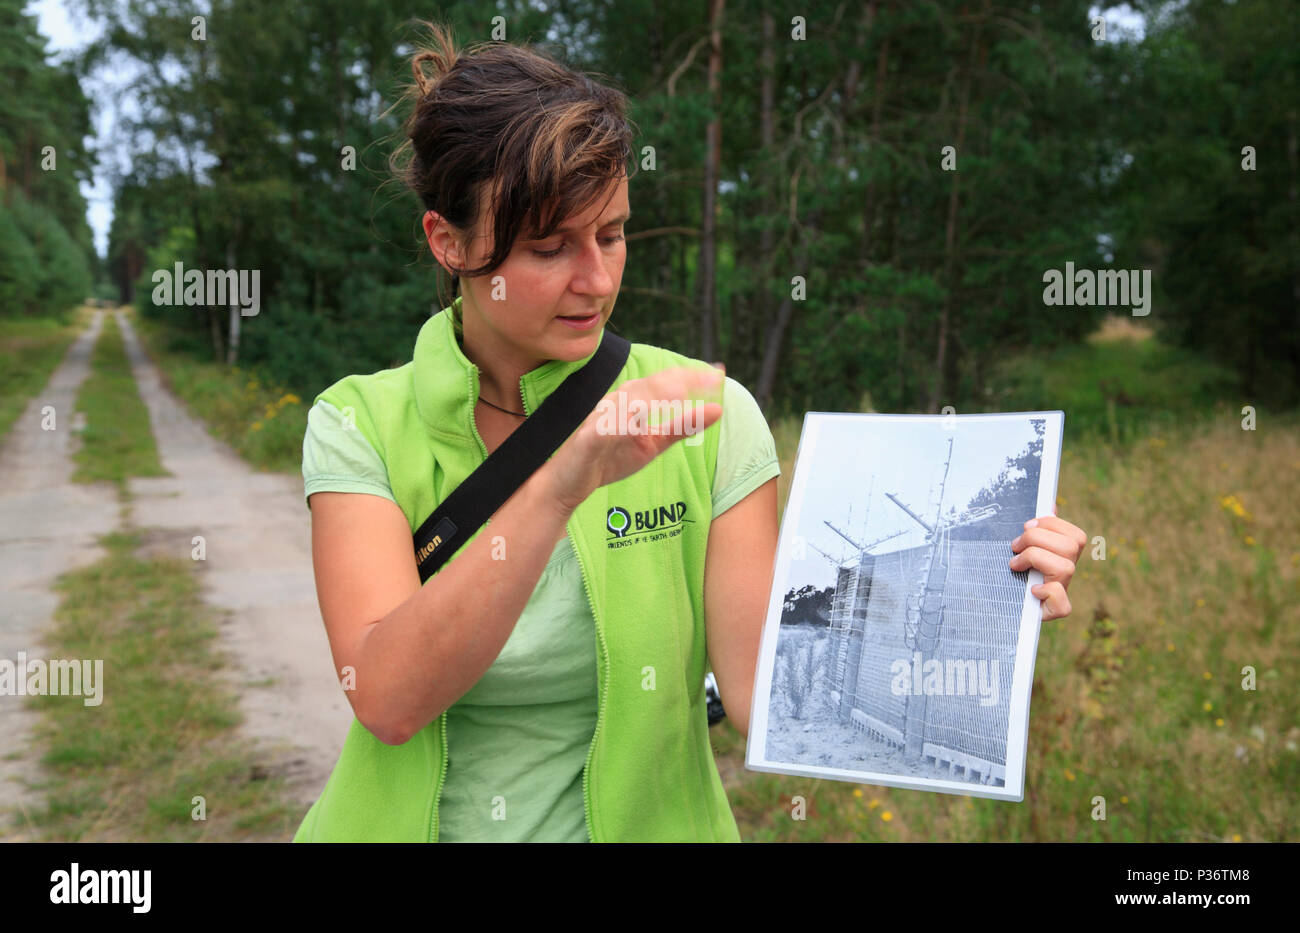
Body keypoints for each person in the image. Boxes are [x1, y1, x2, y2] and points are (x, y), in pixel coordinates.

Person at [292, 22, 1085, 843]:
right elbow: (386, 696)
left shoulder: (709, 414)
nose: (596, 280)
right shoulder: (358, 423)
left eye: (612, 233)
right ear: (448, 241)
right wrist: (564, 481)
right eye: (549, 247)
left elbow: (758, 695)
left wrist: (989, 608)